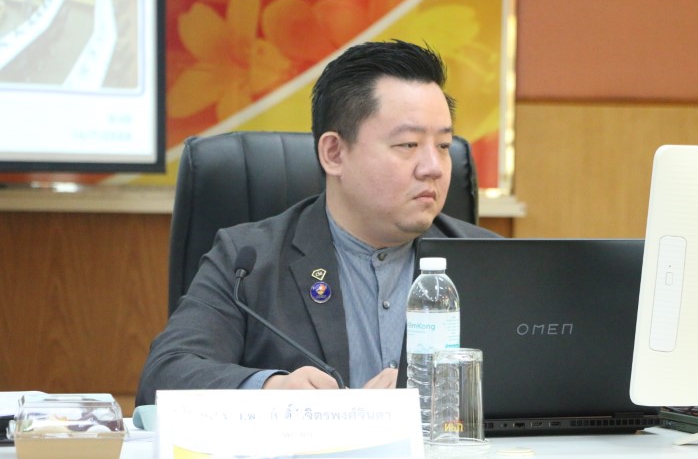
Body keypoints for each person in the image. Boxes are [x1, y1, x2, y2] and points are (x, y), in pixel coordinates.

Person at [135, 40, 498, 406]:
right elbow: (164, 376)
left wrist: (449, 389)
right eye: (408, 145)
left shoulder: (491, 260)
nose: (433, 167)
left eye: (443, 146)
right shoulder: (249, 261)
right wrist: (272, 390)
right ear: (334, 153)